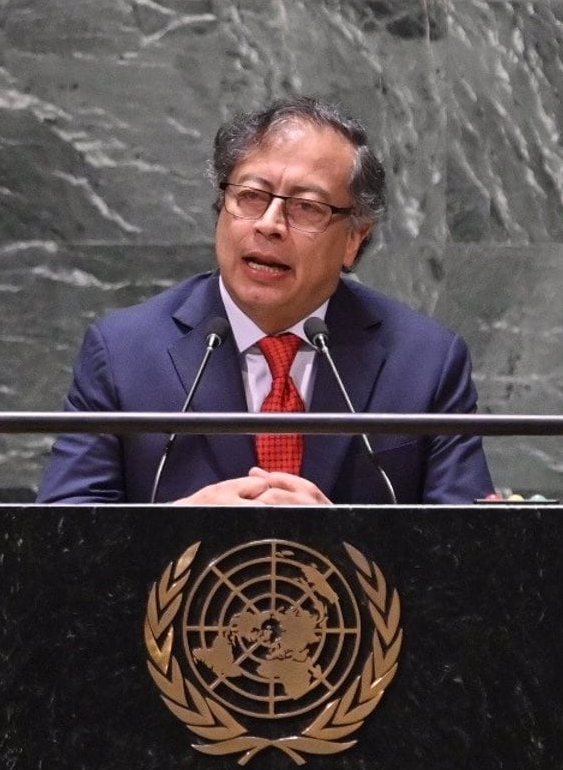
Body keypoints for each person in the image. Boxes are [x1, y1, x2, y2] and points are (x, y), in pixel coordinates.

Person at [36, 96, 494, 505]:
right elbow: (65, 539)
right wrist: (175, 528)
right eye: (251, 197)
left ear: (354, 238)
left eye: (306, 207)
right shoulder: (123, 352)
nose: (270, 224)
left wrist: (342, 542)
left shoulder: (426, 362)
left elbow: (460, 557)